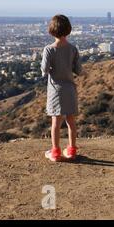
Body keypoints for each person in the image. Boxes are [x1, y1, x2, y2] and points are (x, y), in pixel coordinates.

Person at [41, 15, 82, 162]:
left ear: (52, 30)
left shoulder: (48, 50)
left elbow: (44, 70)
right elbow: (79, 70)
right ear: (68, 30)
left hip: (55, 91)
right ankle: (71, 150)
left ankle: (56, 152)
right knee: (71, 121)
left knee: (56, 123)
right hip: (70, 89)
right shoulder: (73, 49)